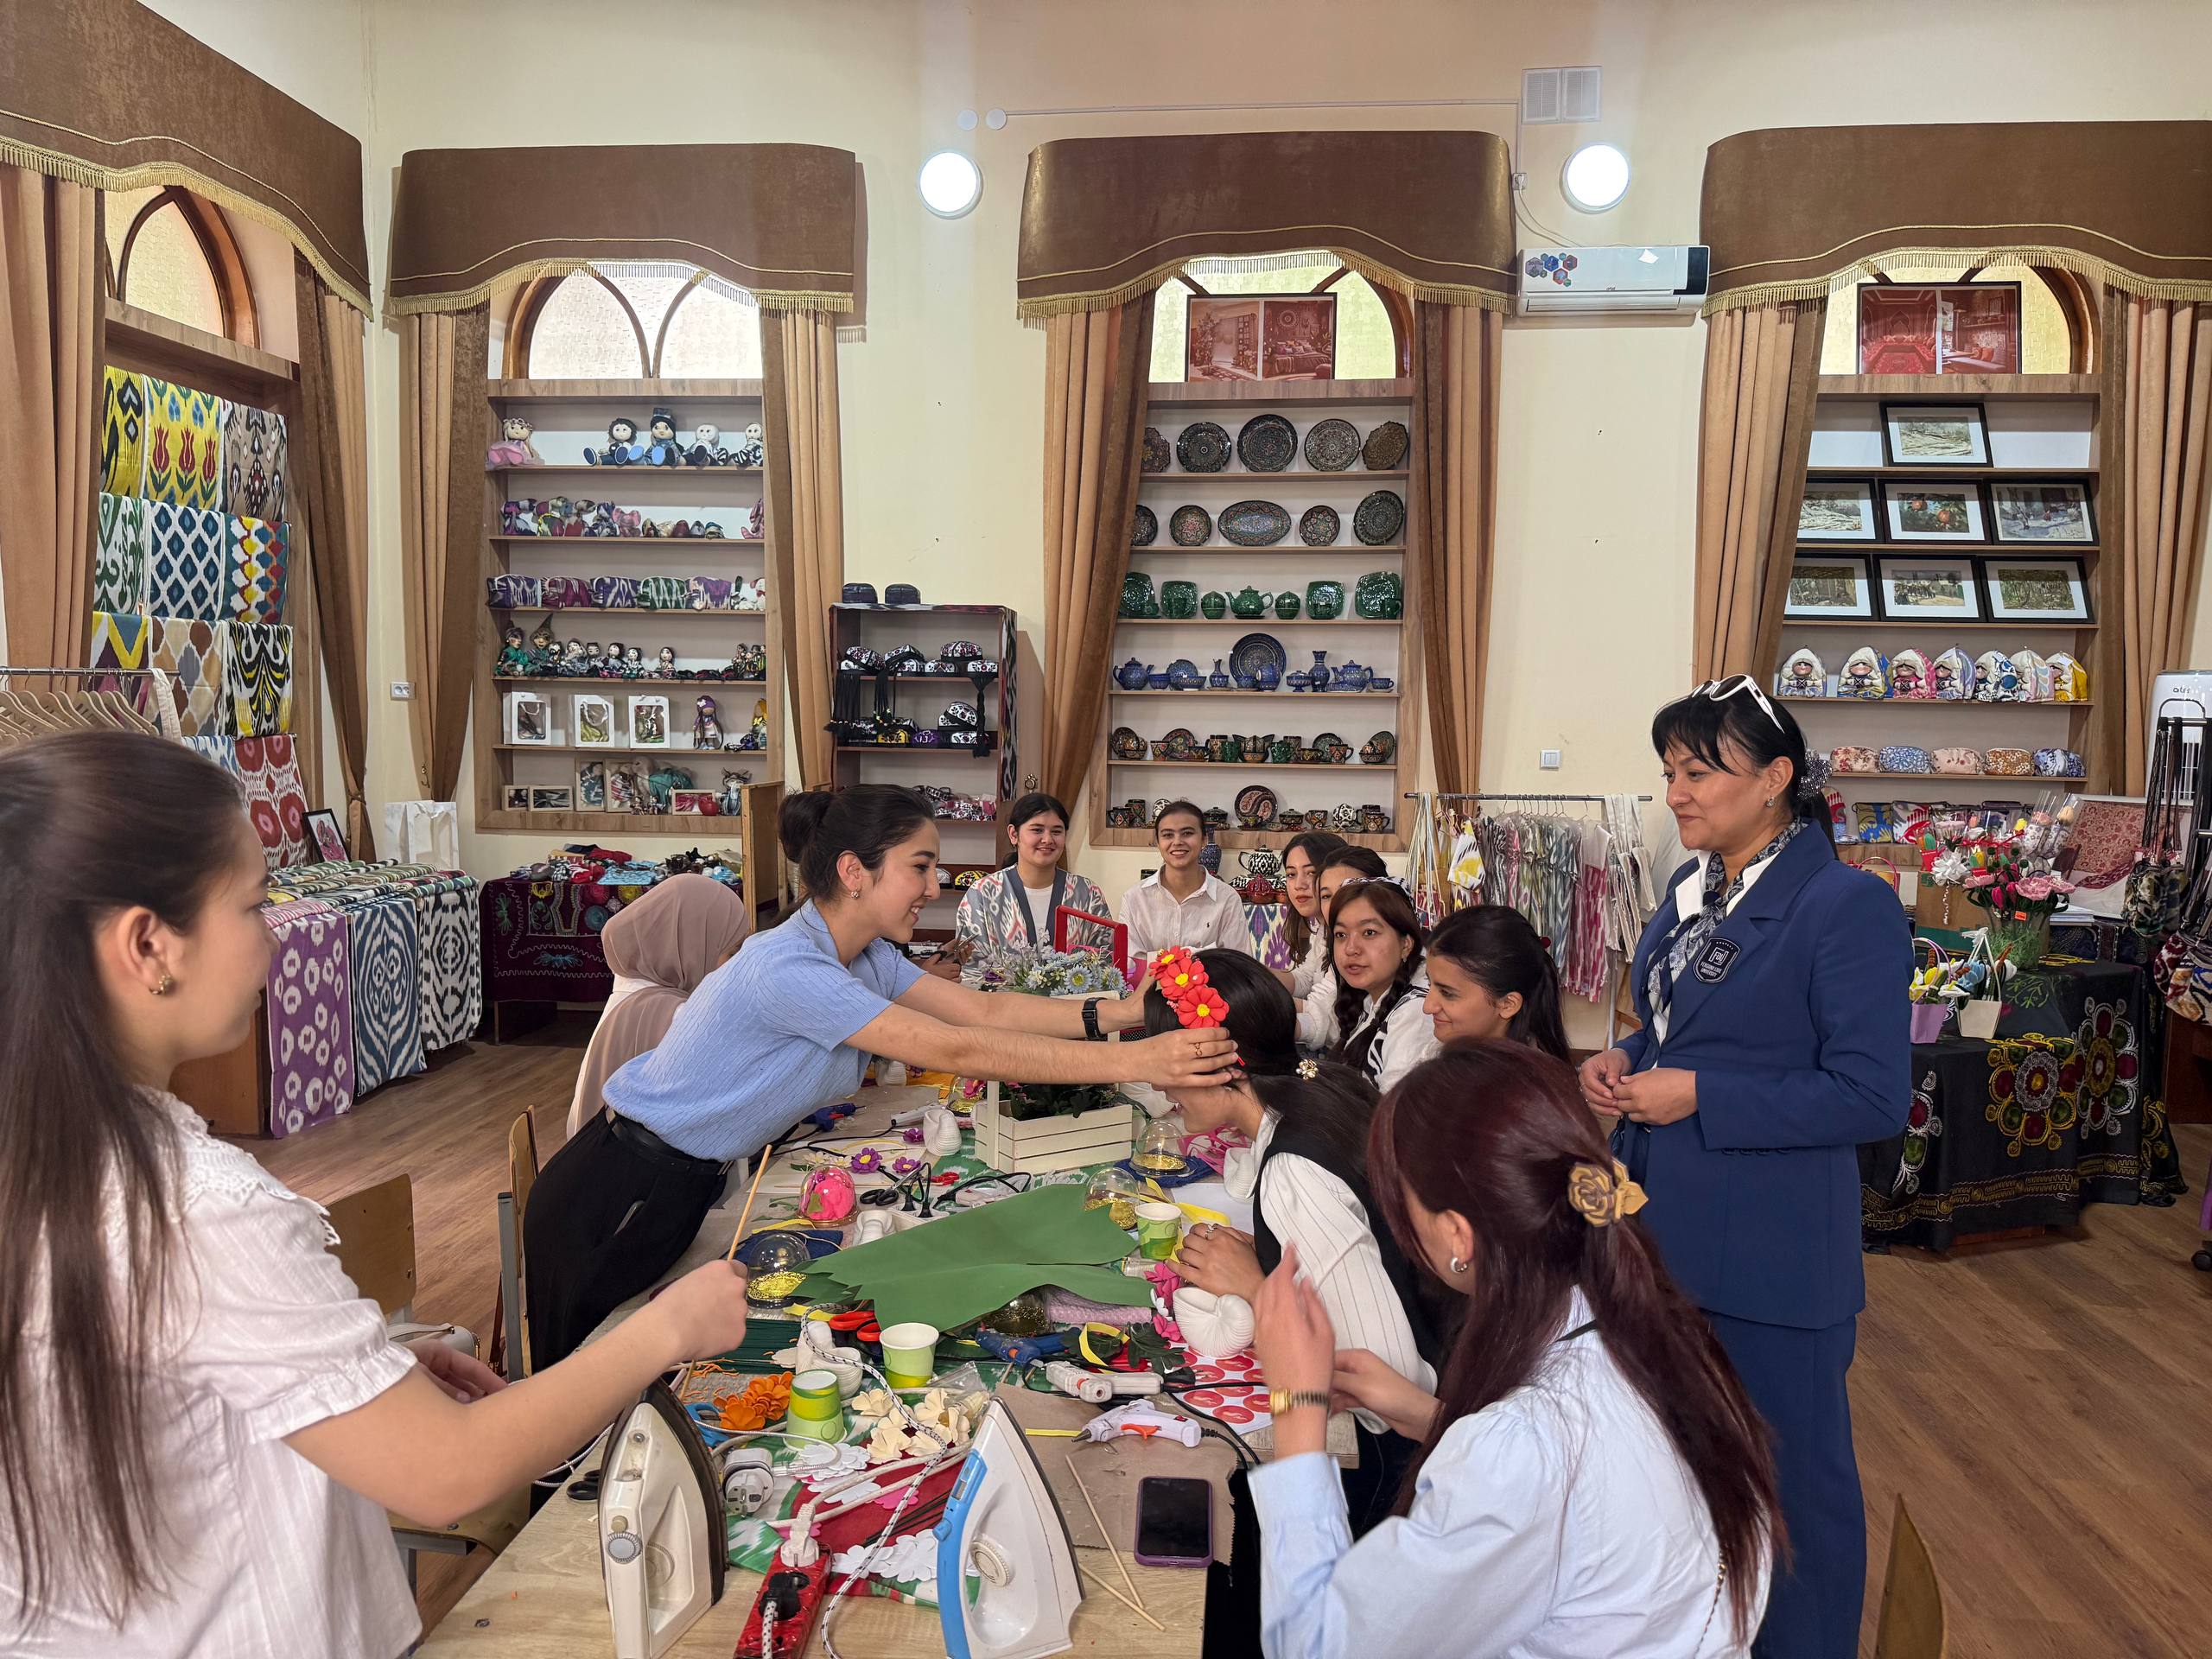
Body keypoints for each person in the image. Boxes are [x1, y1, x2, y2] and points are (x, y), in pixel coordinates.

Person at [0, 732, 752, 1658]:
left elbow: (161, 1384)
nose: (275, 936)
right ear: (149, 943)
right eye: (253, 905)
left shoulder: (63, 1160)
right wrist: (667, 1329)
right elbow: (446, 1473)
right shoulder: (200, 1210)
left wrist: (367, 1366)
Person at [526, 785, 1239, 1366]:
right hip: (619, 1192)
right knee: (587, 1398)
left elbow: (980, 1008)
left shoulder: (860, 953)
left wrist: (1121, 1014)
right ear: (853, 871)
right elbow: (960, 1048)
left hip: (680, 1184)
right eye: (920, 867)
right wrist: (1137, 1060)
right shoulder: (792, 968)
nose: (934, 885)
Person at [1249, 1043, 1781, 1658]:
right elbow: (1580, 1497)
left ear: (1457, 1235)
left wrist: (1296, 1406)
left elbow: (1315, 1646)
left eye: (1401, 1208)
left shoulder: (1523, 1450)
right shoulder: (1656, 1337)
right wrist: (1430, 1416)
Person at [1579, 677, 1910, 1659]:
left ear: (1774, 779)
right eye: (1668, 772)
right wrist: (1626, 1058)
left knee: (1789, 1493)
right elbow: (1678, 1029)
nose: (1675, 793)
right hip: (1663, 1234)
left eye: (1697, 771)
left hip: (1770, 1258)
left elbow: (1870, 1096)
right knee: (1684, 1477)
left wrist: (1701, 1095)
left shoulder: (1844, 905)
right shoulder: (1694, 891)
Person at [1147, 950, 1439, 1532]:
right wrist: (1265, 1252)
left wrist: (1259, 1291)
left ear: (1217, 1063)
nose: (1155, 1080)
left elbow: (1389, 1383)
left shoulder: (1293, 1172)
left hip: (1390, 1475)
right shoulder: (1322, 1087)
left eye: (1164, 1058)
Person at [566, 874, 750, 1136]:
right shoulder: (671, 1015)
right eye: (731, 951)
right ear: (692, 945)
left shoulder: (632, 994)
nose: (736, 965)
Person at [1299, 877, 1440, 1092]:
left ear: (1406, 944)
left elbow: (1394, 1109)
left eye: (1369, 933)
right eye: (1341, 935)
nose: (1351, 949)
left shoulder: (1416, 1012)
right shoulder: (1371, 999)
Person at [952, 791, 1111, 953]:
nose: (1048, 839)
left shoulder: (1087, 893)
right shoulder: (983, 893)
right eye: (1037, 830)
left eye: (1057, 832)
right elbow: (971, 962)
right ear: (1013, 834)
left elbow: (1106, 958)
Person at [1422, 904, 1571, 1059]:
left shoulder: (1526, 1074)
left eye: (1447, 993)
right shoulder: (1440, 1055)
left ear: (1508, 1004)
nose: (1427, 1007)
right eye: (1429, 983)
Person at [1120, 800, 1252, 958]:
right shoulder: (1134, 899)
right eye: (1168, 835)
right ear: (1157, 842)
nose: (1177, 842)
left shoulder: (1227, 899)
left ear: (1204, 840)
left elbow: (1239, 965)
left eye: (1187, 833)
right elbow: (1129, 965)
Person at [1277, 830, 1349, 997]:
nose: (1299, 885)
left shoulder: (1349, 935)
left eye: (1311, 872)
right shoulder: (1323, 927)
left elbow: (1327, 1007)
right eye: (1291, 874)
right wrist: (1252, 972)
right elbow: (1305, 979)